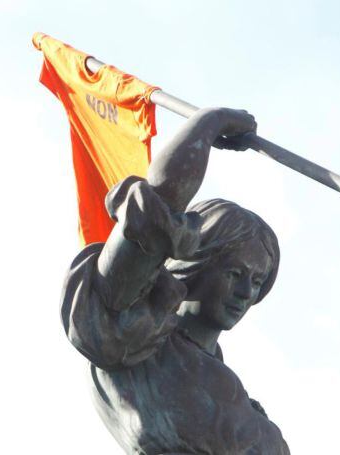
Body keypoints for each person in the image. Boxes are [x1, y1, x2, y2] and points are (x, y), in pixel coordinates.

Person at [61, 108, 290, 454]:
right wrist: (210, 123)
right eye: (234, 274)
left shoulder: (237, 396)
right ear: (196, 264)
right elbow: (157, 207)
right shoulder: (130, 337)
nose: (246, 293)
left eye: (257, 281)